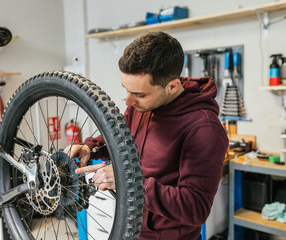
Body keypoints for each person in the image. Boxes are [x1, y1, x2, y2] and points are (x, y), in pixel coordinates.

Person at [64, 31, 228, 240]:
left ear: (172, 87)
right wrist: (90, 146)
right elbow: (122, 137)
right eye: (126, 90)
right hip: (129, 225)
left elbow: (195, 208)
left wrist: (129, 181)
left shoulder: (204, 129)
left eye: (139, 94)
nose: (128, 101)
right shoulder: (142, 105)